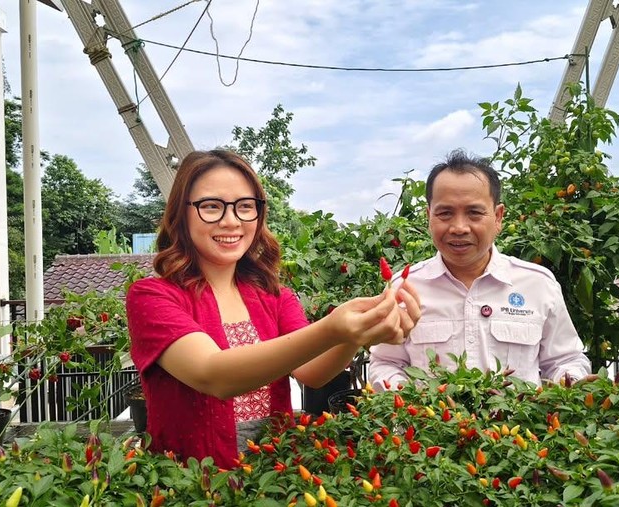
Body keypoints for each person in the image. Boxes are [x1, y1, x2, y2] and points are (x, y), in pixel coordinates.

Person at [127, 149, 421, 466]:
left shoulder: (275, 297)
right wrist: (333, 328)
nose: (231, 221)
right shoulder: (152, 297)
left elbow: (313, 372)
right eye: (211, 206)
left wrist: (356, 334)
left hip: (276, 474)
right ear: (181, 213)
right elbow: (213, 375)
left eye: (245, 206)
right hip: (194, 480)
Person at [368, 149, 590, 389]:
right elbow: (386, 362)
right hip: (430, 415)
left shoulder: (537, 284)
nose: (459, 228)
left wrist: (571, 380)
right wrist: (405, 394)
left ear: (498, 217)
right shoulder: (404, 288)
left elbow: (565, 359)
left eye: (474, 213)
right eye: (445, 213)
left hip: (517, 415)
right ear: (429, 216)